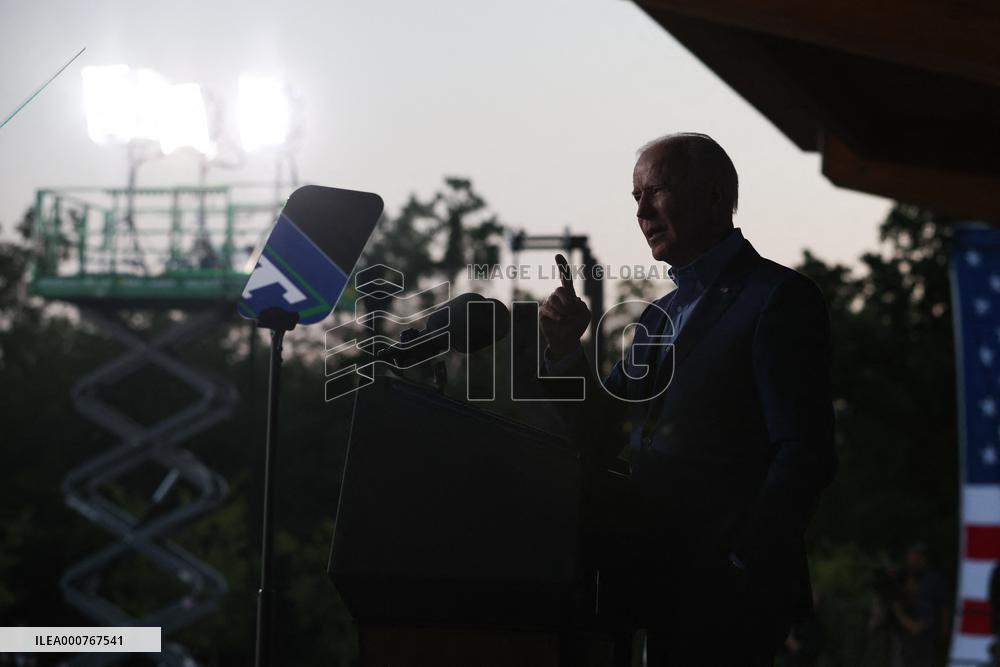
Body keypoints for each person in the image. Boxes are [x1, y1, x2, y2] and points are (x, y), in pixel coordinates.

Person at [539, 133, 837, 665]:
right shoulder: (657, 317)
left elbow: (804, 452)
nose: (643, 211)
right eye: (635, 198)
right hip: (654, 582)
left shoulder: (779, 299)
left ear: (713, 193)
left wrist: (743, 557)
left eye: (655, 192)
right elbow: (602, 434)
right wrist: (565, 350)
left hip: (732, 596)